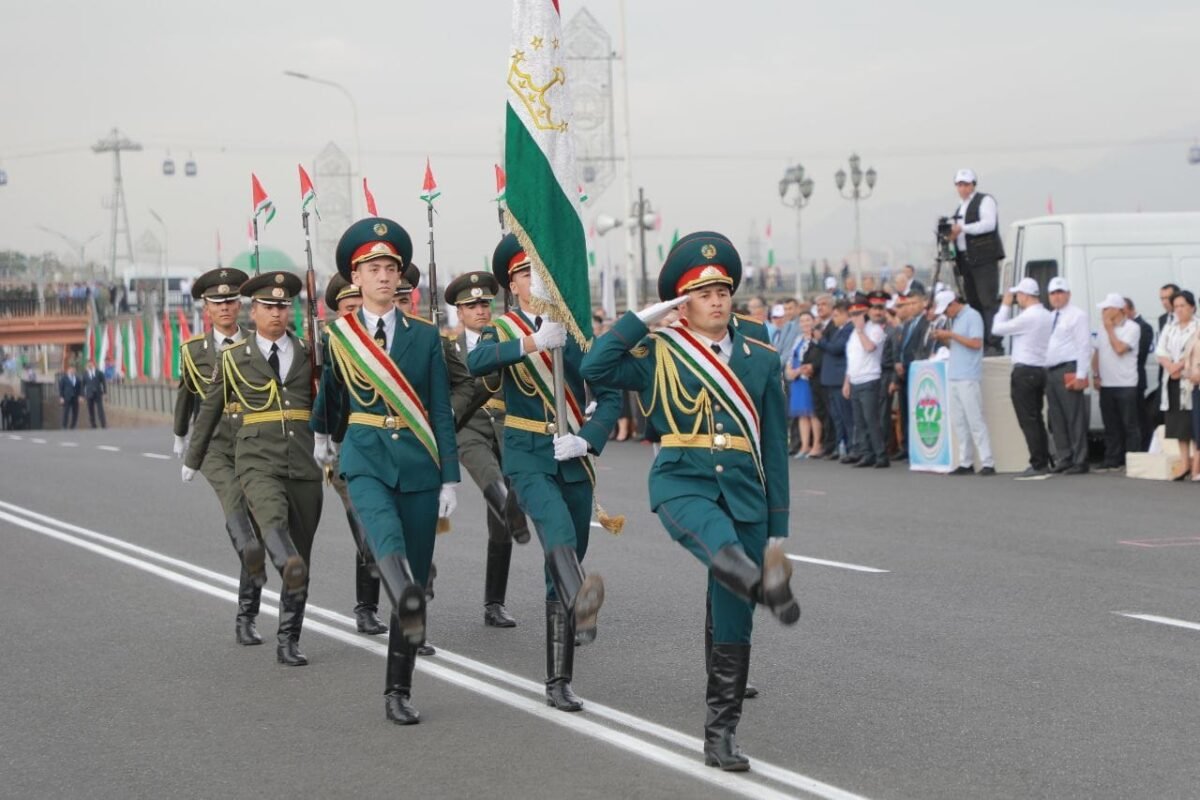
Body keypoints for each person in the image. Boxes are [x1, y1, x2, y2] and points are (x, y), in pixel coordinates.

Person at [580, 231, 798, 772]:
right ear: (684, 303)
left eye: (723, 290)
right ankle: (759, 585)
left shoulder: (761, 359)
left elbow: (773, 444)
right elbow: (594, 368)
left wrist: (778, 526)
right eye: (702, 293)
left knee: (732, 618)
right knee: (723, 551)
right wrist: (645, 318)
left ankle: (719, 735)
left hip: (746, 492)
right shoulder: (658, 351)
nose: (717, 300)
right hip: (683, 482)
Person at [312, 218, 460, 724]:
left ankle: (398, 689)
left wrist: (450, 477)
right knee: (386, 546)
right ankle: (406, 595)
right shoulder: (340, 338)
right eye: (373, 267)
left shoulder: (423, 337)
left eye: (390, 268)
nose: (383, 276)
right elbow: (332, 398)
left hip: (419, 464)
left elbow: (440, 410)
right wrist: (322, 440)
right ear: (355, 278)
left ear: (401, 277)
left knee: (412, 580)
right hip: (366, 458)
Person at [468, 233, 621, 713]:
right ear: (512, 285)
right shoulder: (502, 330)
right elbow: (477, 362)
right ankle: (580, 604)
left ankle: (559, 680)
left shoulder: (577, 332)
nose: (536, 281)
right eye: (526, 274)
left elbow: (609, 395)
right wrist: (532, 342)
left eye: (541, 272)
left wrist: (589, 436)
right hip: (527, 455)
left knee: (566, 557)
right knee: (556, 533)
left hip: (572, 456)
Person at [183, 271, 321, 666]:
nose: (277, 313)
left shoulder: (311, 353)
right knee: (271, 525)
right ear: (253, 310)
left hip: (305, 465)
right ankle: (279, 568)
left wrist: (334, 441)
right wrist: (192, 458)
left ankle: (288, 640)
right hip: (256, 461)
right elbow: (208, 411)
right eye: (268, 306)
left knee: (303, 558)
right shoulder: (234, 358)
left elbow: (330, 404)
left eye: (283, 306)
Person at [173, 267, 269, 645]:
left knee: (260, 531)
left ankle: (247, 615)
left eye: (232, 300)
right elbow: (186, 395)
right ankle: (247, 611)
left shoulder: (257, 344)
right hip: (214, 445)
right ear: (206, 308)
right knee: (239, 516)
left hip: (252, 440)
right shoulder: (194, 351)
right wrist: (182, 436)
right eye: (218, 302)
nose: (226, 307)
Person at [441, 270, 533, 628]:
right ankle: (509, 506)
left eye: (484, 303)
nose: (480, 310)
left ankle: (494, 603)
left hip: (509, 426)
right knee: (492, 480)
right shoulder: (448, 348)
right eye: (471, 305)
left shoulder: (510, 339)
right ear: (460, 313)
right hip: (469, 427)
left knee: (500, 524)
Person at [320, 274, 387, 636]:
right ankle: (366, 608)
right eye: (348, 308)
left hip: (387, 448)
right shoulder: (331, 346)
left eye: (359, 307)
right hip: (345, 449)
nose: (355, 314)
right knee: (368, 526)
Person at [991, 277, 1053, 478]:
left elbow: (997, 329)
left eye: (1018, 295)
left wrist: (1005, 306)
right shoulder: (1046, 315)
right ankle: (1043, 458)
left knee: (1028, 419)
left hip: (1024, 370)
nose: (1016, 299)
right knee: (1036, 417)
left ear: (1026, 295)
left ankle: (1038, 462)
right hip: (1040, 369)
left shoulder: (1029, 317)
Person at [930, 291, 996, 475]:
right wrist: (947, 337)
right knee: (959, 421)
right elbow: (961, 344)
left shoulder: (972, 316)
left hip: (968, 374)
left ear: (953, 303)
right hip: (956, 373)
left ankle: (987, 461)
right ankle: (965, 461)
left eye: (946, 310)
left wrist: (950, 334)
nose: (946, 314)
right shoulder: (957, 319)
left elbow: (976, 343)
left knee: (975, 419)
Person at [949, 169, 1004, 353]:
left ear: (973, 184)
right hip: (966, 260)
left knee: (988, 300)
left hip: (983, 258)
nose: (963, 188)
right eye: (960, 185)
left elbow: (989, 224)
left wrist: (962, 228)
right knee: (974, 302)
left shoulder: (984, 200)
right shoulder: (960, 207)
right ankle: (979, 337)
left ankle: (993, 341)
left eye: (966, 184)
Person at [1044, 277, 1092, 475]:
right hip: (1051, 370)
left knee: (1074, 416)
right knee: (1057, 417)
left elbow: (1083, 345)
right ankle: (1064, 456)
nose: (1057, 296)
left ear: (1068, 294)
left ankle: (1080, 459)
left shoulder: (1077, 315)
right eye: (1053, 293)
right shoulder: (1050, 316)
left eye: (1060, 292)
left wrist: (1081, 374)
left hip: (1068, 368)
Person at [1091, 293, 1142, 472]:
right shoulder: (1102, 327)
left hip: (1126, 384)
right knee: (1110, 425)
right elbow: (1097, 352)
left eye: (1107, 309)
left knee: (1129, 424)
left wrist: (1110, 329)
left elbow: (1120, 349)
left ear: (1118, 310)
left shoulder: (1132, 328)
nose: (1103, 312)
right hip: (1107, 383)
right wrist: (1096, 374)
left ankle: (1133, 458)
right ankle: (1112, 458)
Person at [1155, 290, 1200, 480]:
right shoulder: (1170, 327)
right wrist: (1169, 365)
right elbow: (1160, 350)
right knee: (1178, 424)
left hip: (1190, 380)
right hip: (1171, 379)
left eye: (1183, 306)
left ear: (1192, 307)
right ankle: (1184, 463)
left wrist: (1179, 366)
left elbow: (1193, 352)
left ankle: (1196, 463)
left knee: (1193, 422)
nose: (1179, 310)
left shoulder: (1197, 327)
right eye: (1176, 307)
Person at [843, 294, 888, 468]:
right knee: (859, 421)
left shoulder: (874, 329)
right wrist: (847, 382)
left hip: (870, 379)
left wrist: (861, 330)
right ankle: (866, 453)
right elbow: (852, 360)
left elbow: (870, 347)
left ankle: (880, 454)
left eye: (859, 313)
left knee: (871, 420)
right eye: (853, 315)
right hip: (855, 380)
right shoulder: (853, 333)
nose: (856, 318)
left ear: (866, 312)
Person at [814, 299, 854, 459]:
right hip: (830, 378)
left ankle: (851, 446)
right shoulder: (838, 330)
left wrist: (820, 340)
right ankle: (840, 445)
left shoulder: (848, 329)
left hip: (839, 378)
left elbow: (836, 348)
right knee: (836, 416)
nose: (834, 319)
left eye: (837, 315)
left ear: (845, 315)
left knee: (846, 416)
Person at [784, 311, 820, 458]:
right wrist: (790, 371)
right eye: (802, 321)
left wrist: (798, 371)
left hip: (808, 379)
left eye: (808, 320)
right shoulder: (799, 339)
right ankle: (805, 445)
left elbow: (814, 359)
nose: (805, 323)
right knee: (801, 414)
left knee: (812, 412)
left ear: (813, 321)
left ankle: (817, 444)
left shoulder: (816, 339)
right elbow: (790, 358)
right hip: (797, 380)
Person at [1125, 297, 1156, 449]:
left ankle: (1145, 447)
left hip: (1136, 378)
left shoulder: (1144, 327)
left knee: (1140, 417)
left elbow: (1139, 354)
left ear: (1131, 309)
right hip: (1123, 379)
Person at [82, 359, 107, 428]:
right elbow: (83, 385)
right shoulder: (85, 374)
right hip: (89, 394)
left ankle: (103, 424)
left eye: (91, 364)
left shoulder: (99, 373)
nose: (90, 365)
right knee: (90, 410)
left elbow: (103, 383)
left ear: (94, 364)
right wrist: (82, 395)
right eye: (88, 364)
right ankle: (93, 424)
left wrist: (105, 393)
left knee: (100, 409)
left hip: (98, 393)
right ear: (86, 365)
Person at [58, 364, 81, 429]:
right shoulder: (64, 378)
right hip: (67, 397)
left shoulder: (77, 379)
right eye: (71, 369)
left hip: (75, 397)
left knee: (75, 412)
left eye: (74, 370)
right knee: (66, 412)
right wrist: (61, 397)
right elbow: (61, 388)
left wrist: (80, 396)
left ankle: (73, 426)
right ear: (68, 370)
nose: (72, 371)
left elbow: (80, 388)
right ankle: (64, 426)